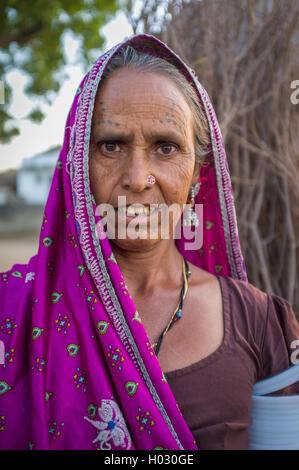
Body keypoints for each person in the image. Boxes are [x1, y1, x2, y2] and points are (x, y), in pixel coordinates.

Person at [0, 34, 298, 451]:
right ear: (76, 167)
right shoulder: (12, 309)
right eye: (110, 146)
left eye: (166, 147)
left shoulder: (261, 322)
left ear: (197, 175)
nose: (138, 178)